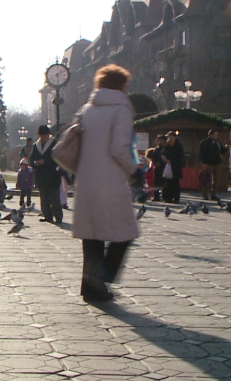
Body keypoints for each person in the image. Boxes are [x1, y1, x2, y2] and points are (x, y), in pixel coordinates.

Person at [71, 64, 140, 302]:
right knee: (125, 231)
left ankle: (91, 286)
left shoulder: (87, 109)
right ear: (121, 85)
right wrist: (135, 170)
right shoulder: (121, 110)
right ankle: (104, 275)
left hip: (86, 178)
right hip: (110, 181)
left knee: (91, 235)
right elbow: (120, 149)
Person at [30, 126, 63, 224]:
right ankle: (47, 215)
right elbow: (31, 159)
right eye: (41, 136)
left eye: (45, 136)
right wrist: (35, 163)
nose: (43, 138)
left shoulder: (55, 144)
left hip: (52, 175)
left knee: (54, 198)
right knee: (43, 197)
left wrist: (45, 161)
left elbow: (57, 159)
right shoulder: (36, 146)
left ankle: (58, 216)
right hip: (41, 175)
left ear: (48, 135)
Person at [198, 129, 228, 201]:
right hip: (208, 164)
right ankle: (205, 194)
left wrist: (226, 148)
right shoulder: (204, 143)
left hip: (217, 163)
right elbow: (201, 153)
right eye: (215, 135)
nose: (217, 136)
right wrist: (203, 162)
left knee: (216, 180)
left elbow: (222, 151)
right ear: (211, 135)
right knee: (207, 180)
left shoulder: (217, 143)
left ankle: (213, 195)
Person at [162, 131, 185, 204]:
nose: (170, 139)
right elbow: (163, 154)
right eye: (169, 137)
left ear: (175, 138)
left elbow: (181, 156)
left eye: (172, 137)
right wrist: (165, 159)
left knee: (176, 183)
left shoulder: (179, 145)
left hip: (176, 166)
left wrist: (173, 160)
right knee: (167, 183)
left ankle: (176, 198)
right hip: (168, 166)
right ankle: (167, 198)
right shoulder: (166, 145)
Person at [148, 135, 166, 201]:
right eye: (159, 140)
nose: (160, 142)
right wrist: (155, 163)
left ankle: (165, 196)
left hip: (164, 168)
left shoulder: (165, 149)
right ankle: (156, 196)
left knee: (164, 183)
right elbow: (153, 158)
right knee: (156, 183)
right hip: (157, 168)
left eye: (161, 140)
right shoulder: (156, 149)